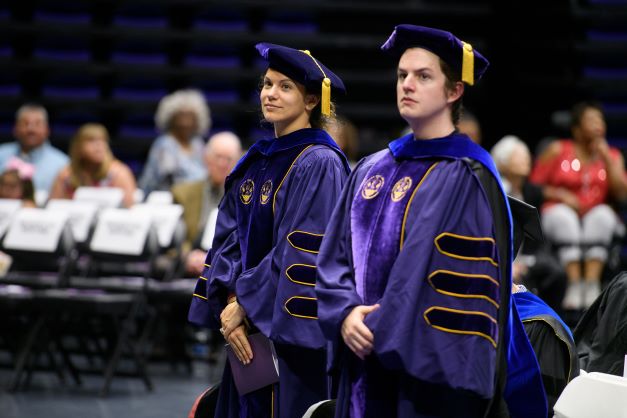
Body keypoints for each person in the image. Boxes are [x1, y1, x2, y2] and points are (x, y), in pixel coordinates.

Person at [315, 24, 546, 417]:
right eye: (402, 75)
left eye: (423, 76)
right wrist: (345, 313)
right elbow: (333, 253)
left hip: (426, 378)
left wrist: (376, 328)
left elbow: (438, 277)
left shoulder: (470, 175)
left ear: (454, 90)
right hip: (359, 361)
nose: (407, 85)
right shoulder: (372, 167)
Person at [188, 42, 350, 418]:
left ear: (312, 100)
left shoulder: (319, 163)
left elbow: (302, 251)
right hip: (247, 330)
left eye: (284, 86)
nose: (270, 93)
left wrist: (244, 304)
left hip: (290, 336)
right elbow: (228, 241)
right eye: (267, 84)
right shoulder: (257, 160)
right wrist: (230, 304)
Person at [529, 101, 627, 310]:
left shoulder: (613, 155)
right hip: (559, 212)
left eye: (600, 119)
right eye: (590, 120)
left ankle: (591, 284)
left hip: (594, 215)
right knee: (564, 217)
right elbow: (533, 187)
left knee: (602, 215)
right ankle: (574, 284)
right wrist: (560, 194)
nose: (597, 124)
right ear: (576, 128)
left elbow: (622, 194)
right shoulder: (557, 150)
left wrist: (607, 160)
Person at [491, 135, 566, 311]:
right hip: (504, 259)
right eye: (519, 156)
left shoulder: (529, 190)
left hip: (529, 256)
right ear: (503, 162)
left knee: (556, 272)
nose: (526, 159)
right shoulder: (495, 190)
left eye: (526, 155)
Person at [172, 131, 242, 276]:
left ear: (238, 161)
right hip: (190, 264)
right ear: (206, 159)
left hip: (229, 269)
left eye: (228, 159)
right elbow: (176, 237)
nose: (222, 164)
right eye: (217, 157)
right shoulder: (183, 193)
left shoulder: (248, 197)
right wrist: (188, 256)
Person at [139, 89, 211, 194]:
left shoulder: (198, 144)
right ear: (171, 118)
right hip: (167, 200)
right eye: (181, 116)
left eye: (190, 116)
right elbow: (171, 180)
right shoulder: (164, 144)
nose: (185, 122)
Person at [49, 123, 137, 208]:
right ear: (78, 146)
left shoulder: (119, 173)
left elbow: (130, 210)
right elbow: (53, 206)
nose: (99, 146)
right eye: (91, 140)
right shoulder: (66, 174)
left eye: (103, 140)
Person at [0, 104, 69, 193]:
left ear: (47, 130)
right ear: (15, 129)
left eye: (37, 124)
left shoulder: (62, 164)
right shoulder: (1, 154)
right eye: (25, 123)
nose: (31, 129)